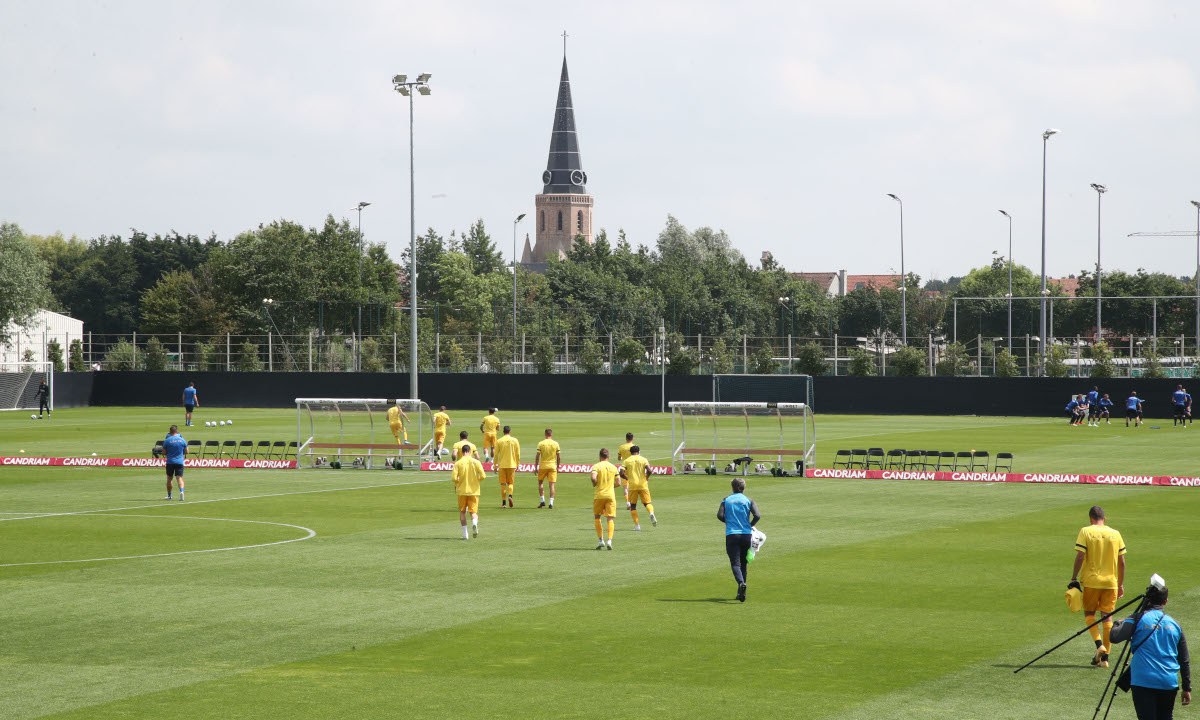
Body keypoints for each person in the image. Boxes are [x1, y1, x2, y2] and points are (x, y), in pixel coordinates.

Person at [1110, 579, 1191, 719]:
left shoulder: (1137, 618)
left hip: (1143, 681)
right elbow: (1184, 659)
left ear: (1147, 599)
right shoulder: (1175, 624)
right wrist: (1186, 688)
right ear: (1165, 601)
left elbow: (1114, 637)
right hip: (1168, 682)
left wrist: (1118, 622)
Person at [1069, 505, 1126, 668]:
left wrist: (1073, 577)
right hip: (1111, 583)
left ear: (1090, 519)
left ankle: (1099, 644)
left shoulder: (1086, 531)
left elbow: (1080, 556)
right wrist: (1120, 584)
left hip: (1092, 581)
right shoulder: (1116, 534)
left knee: (1089, 614)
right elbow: (1122, 562)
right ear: (1104, 518)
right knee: (1107, 617)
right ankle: (1105, 659)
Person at [717, 477, 761, 602]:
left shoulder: (726, 500)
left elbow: (719, 515)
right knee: (743, 564)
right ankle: (740, 593)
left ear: (733, 487)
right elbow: (757, 515)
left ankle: (741, 583)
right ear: (743, 488)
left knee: (735, 563)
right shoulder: (748, 500)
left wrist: (730, 522)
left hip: (732, 534)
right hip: (746, 535)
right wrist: (750, 525)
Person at [452, 442, 484, 539]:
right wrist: (476, 480)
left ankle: (465, 534)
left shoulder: (458, 463)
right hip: (474, 490)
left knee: (462, 512)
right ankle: (474, 523)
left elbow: (453, 478)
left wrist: (459, 481)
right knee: (473, 512)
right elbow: (483, 476)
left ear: (462, 452)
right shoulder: (476, 462)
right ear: (470, 451)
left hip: (462, 491)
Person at [620, 444, 656, 530]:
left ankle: (637, 526)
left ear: (630, 453)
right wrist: (646, 477)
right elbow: (650, 470)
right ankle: (651, 512)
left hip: (632, 485)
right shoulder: (643, 459)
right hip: (643, 484)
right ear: (639, 452)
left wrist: (627, 478)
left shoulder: (627, 461)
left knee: (633, 506)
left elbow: (621, 473)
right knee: (647, 503)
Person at [591, 448, 620, 550]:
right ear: (608, 456)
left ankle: (600, 540)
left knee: (597, 517)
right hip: (610, 495)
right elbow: (619, 483)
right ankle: (609, 540)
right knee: (610, 518)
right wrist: (611, 487)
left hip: (599, 495)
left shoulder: (596, 466)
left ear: (600, 456)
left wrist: (595, 483)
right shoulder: (613, 467)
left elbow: (593, 477)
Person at [494, 425, 520, 508]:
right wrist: (518, 464)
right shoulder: (515, 440)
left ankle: (504, 503)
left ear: (503, 431)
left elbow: (495, 455)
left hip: (502, 465)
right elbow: (518, 454)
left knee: (502, 484)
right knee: (510, 483)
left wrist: (495, 465)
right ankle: (510, 496)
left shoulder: (499, 441)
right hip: (512, 465)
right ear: (510, 431)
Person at [535, 428, 561, 509]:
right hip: (552, 466)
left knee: (540, 483)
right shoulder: (556, 444)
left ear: (545, 434)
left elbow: (537, 456)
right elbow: (558, 456)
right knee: (552, 485)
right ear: (551, 434)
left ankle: (542, 500)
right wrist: (558, 466)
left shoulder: (541, 443)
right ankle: (551, 503)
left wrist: (535, 466)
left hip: (543, 466)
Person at [163, 424, 188, 501]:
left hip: (170, 462)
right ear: (177, 431)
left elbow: (163, 452)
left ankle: (169, 496)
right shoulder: (182, 440)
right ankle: (181, 492)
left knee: (169, 479)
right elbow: (187, 451)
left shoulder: (167, 440)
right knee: (179, 478)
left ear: (170, 432)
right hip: (179, 462)